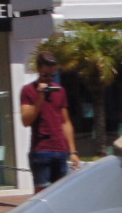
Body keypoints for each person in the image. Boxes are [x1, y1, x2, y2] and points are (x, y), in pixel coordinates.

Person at [19, 51, 78, 192]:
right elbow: (26, 121)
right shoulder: (28, 91)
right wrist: (40, 97)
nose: (49, 79)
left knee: (60, 193)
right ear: (39, 70)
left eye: (52, 75)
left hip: (60, 150)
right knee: (42, 194)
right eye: (46, 75)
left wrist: (73, 151)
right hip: (41, 150)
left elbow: (65, 122)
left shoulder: (60, 91)